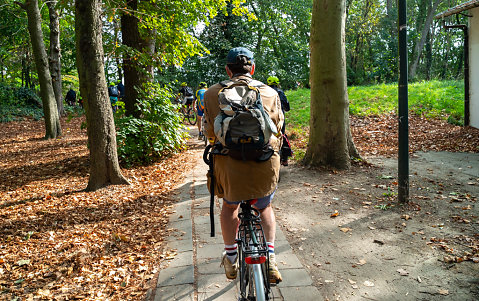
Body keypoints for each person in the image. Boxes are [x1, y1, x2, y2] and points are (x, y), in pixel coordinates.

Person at [203, 47, 284, 284]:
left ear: (228, 70)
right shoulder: (269, 92)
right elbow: (277, 130)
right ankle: (270, 257)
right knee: (265, 207)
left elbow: (210, 133)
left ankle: (231, 258)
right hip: (264, 165)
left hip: (230, 168)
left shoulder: (211, 94)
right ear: (253, 68)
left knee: (229, 207)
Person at [267, 76, 292, 166]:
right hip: (279, 119)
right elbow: (287, 107)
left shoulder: (264, 92)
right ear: (277, 83)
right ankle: (285, 159)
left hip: (267, 118)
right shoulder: (280, 92)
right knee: (282, 135)